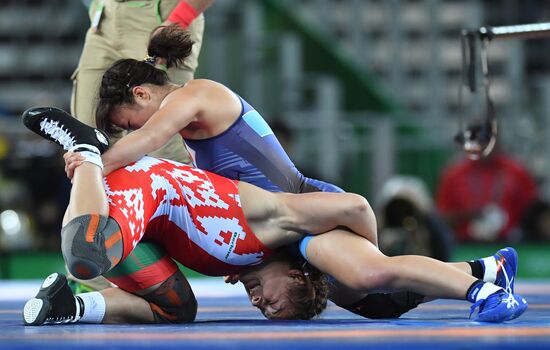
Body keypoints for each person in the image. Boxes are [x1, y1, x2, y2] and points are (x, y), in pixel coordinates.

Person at [21, 107, 527, 325]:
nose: (259, 302)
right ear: (296, 272)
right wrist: (368, 248)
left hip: (151, 214)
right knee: (85, 255)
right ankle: (87, 150)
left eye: (258, 306)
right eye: (274, 300)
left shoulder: (237, 265)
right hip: (150, 185)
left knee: (178, 310)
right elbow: (356, 205)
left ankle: (71, 307)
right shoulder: (277, 222)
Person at [69, 0, 214, 292]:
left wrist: (178, 18)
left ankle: (237, 255)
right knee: (88, 146)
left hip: (160, 15)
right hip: (105, 18)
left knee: (165, 157)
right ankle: (92, 281)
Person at [436, 147, 538, 242]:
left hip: (512, 245)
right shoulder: (454, 174)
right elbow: (442, 218)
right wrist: (469, 216)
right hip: (466, 247)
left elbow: (535, 214)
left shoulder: (517, 172)